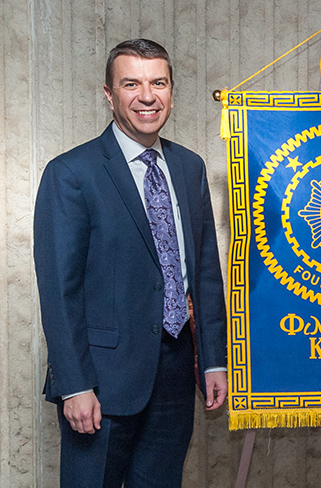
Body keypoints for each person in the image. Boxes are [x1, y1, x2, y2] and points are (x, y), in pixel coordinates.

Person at [34, 39, 228, 488]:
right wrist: (75, 385)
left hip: (176, 374)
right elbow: (59, 291)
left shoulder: (189, 167)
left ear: (171, 91)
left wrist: (213, 360)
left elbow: (203, 273)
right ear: (109, 94)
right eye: (131, 84)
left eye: (158, 82)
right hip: (100, 383)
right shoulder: (71, 174)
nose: (147, 96)